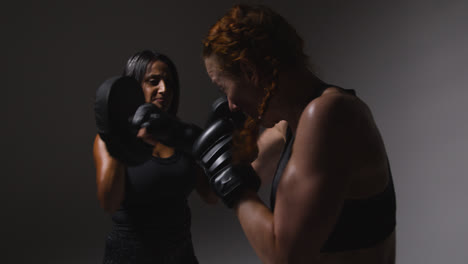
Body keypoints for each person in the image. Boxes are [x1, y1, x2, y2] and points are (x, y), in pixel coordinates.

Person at [197, 4, 396, 263]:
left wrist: (230, 182)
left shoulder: (330, 115)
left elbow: (285, 257)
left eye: (224, 88)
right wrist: (191, 145)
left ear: (249, 71)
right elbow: (216, 193)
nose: (230, 104)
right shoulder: (288, 128)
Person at [93, 50, 216, 264]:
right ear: (133, 86)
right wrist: (120, 139)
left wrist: (224, 150)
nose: (164, 89)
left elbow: (210, 196)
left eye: (169, 82)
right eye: (154, 81)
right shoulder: (107, 140)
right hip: (129, 256)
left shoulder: (182, 135)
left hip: (181, 255)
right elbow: (109, 203)